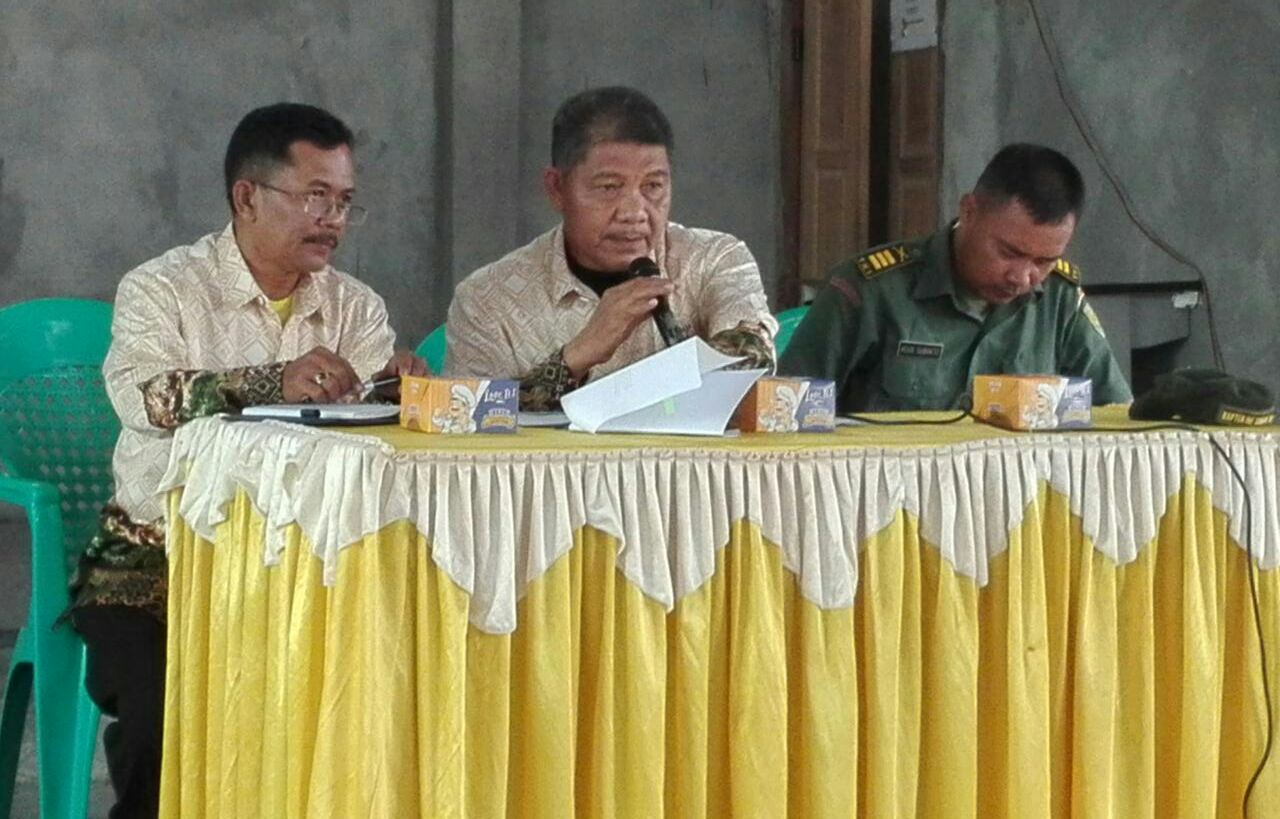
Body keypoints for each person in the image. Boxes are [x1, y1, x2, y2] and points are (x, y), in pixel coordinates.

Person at [69, 102, 425, 818]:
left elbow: (363, 440)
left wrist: (396, 393)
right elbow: (146, 398)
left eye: (344, 202)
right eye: (315, 196)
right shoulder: (162, 288)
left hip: (305, 564)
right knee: (163, 726)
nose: (332, 219)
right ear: (247, 196)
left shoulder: (356, 308)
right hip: (157, 561)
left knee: (380, 701)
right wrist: (271, 381)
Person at [445, 86, 777, 410]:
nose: (634, 212)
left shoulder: (715, 259)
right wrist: (580, 354)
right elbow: (468, 420)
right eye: (609, 187)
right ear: (557, 189)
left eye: (653, 186)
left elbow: (753, 359)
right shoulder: (487, 300)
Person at [779, 143, 1132, 412]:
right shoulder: (870, 291)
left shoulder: (1060, 301)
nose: (1023, 277)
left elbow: (1116, 416)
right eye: (1009, 253)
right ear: (969, 211)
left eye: (1044, 261)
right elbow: (786, 416)